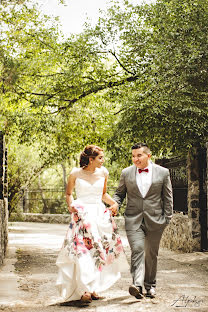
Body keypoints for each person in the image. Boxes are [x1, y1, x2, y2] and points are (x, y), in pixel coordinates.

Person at [56, 145, 128, 304]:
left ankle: (94, 287)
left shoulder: (104, 172)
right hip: (81, 215)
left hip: (99, 215)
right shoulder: (75, 173)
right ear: (91, 159)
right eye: (100, 157)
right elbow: (68, 194)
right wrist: (71, 206)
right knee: (82, 251)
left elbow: (102, 194)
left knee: (99, 251)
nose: (103, 160)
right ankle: (84, 290)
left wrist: (114, 204)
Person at [113, 142, 173, 299]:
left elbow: (168, 197)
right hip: (133, 218)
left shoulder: (163, 172)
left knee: (151, 254)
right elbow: (119, 194)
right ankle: (137, 285)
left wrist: (167, 218)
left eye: (139, 155)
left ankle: (150, 285)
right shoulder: (126, 173)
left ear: (148, 155)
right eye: (133, 156)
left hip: (156, 220)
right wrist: (115, 205)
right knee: (137, 249)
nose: (135, 159)